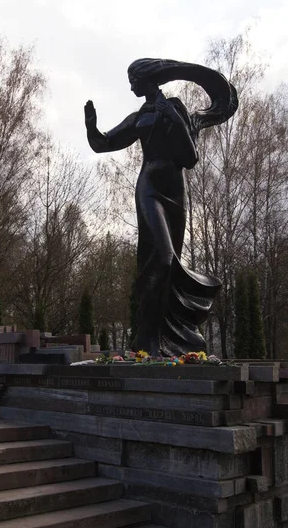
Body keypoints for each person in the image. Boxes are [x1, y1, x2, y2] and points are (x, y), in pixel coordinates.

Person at [84, 58, 238, 357]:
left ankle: (174, 340)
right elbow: (104, 143)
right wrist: (91, 126)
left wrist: (173, 116)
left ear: (149, 79)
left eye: (133, 80)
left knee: (172, 265)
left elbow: (190, 158)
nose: (131, 86)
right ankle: (148, 340)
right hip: (150, 187)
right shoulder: (138, 117)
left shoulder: (177, 109)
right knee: (163, 259)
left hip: (176, 194)